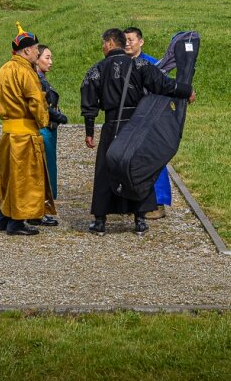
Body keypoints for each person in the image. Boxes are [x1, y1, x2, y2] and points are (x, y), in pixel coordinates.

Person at [81, 28, 195, 236]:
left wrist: (89, 130)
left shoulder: (97, 69)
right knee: (137, 168)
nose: (102, 47)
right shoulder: (140, 65)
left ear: (110, 43)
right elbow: (163, 84)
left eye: (103, 43)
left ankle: (100, 220)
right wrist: (187, 91)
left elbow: (89, 101)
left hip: (112, 125)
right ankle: (140, 218)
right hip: (135, 126)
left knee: (106, 169)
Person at [0, 22, 57, 236]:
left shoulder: (3, 69)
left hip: (8, 132)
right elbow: (36, 102)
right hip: (24, 133)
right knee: (25, 178)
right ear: (27, 50)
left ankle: (5, 216)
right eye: (36, 49)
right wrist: (44, 120)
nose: (38, 52)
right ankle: (17, 222)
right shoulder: (25, 71)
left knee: (10, 177)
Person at [124, 26, 171, 220]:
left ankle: (157, 202)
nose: (127, 43)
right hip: (128, 119)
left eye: (131, 40)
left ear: (140, 42)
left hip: (150, 120)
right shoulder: (119, 63)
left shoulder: (152, 64)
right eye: (124, 39)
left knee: (154, 159)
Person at [34, 44, 67, 226]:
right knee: (42, 170)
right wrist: (58, 116)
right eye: (47, 58)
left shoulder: (42, 78)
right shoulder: (36, 80)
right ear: (36, 58)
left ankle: (41, 208)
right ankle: (39, 210)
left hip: (50, 129)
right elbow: (41, 105)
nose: (51, 62)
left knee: (48, 168)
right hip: (43, 128)